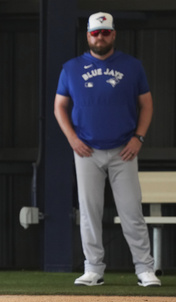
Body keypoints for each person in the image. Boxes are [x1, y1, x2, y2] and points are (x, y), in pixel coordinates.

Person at [54, 12, 161, 287]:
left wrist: (138, 137)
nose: (100, 37)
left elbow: (146, 104)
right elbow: (59, 107)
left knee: (131, 211)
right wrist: (72, 139)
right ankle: (93, 269)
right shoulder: (71, 68)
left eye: (105, 32)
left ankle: (145, 269)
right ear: (88, 35)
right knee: (89, 212)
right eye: (95, 33)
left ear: (113, 34)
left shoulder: (132, 66)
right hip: (86, 151)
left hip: (124, 150)